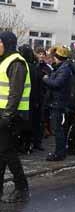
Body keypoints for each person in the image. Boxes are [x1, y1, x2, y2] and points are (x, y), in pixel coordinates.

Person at [0, 32, 30, 203]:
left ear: (6, 43)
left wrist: (7, 115)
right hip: (4, 112)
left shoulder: (16, 62)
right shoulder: (5, 61)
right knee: (2, 152)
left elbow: (15, 92)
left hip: (12, 114)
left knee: (7, 151)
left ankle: (21, 187)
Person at [43, 46, 74, 161]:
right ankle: (59, 152)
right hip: (56, 102)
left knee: (58, 129)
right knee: (57, 129)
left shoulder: (64, 69)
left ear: (58, 57)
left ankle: (59, 153)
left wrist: (46, 79)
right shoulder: (62, 68)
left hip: (58, 103)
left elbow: (56, 84)